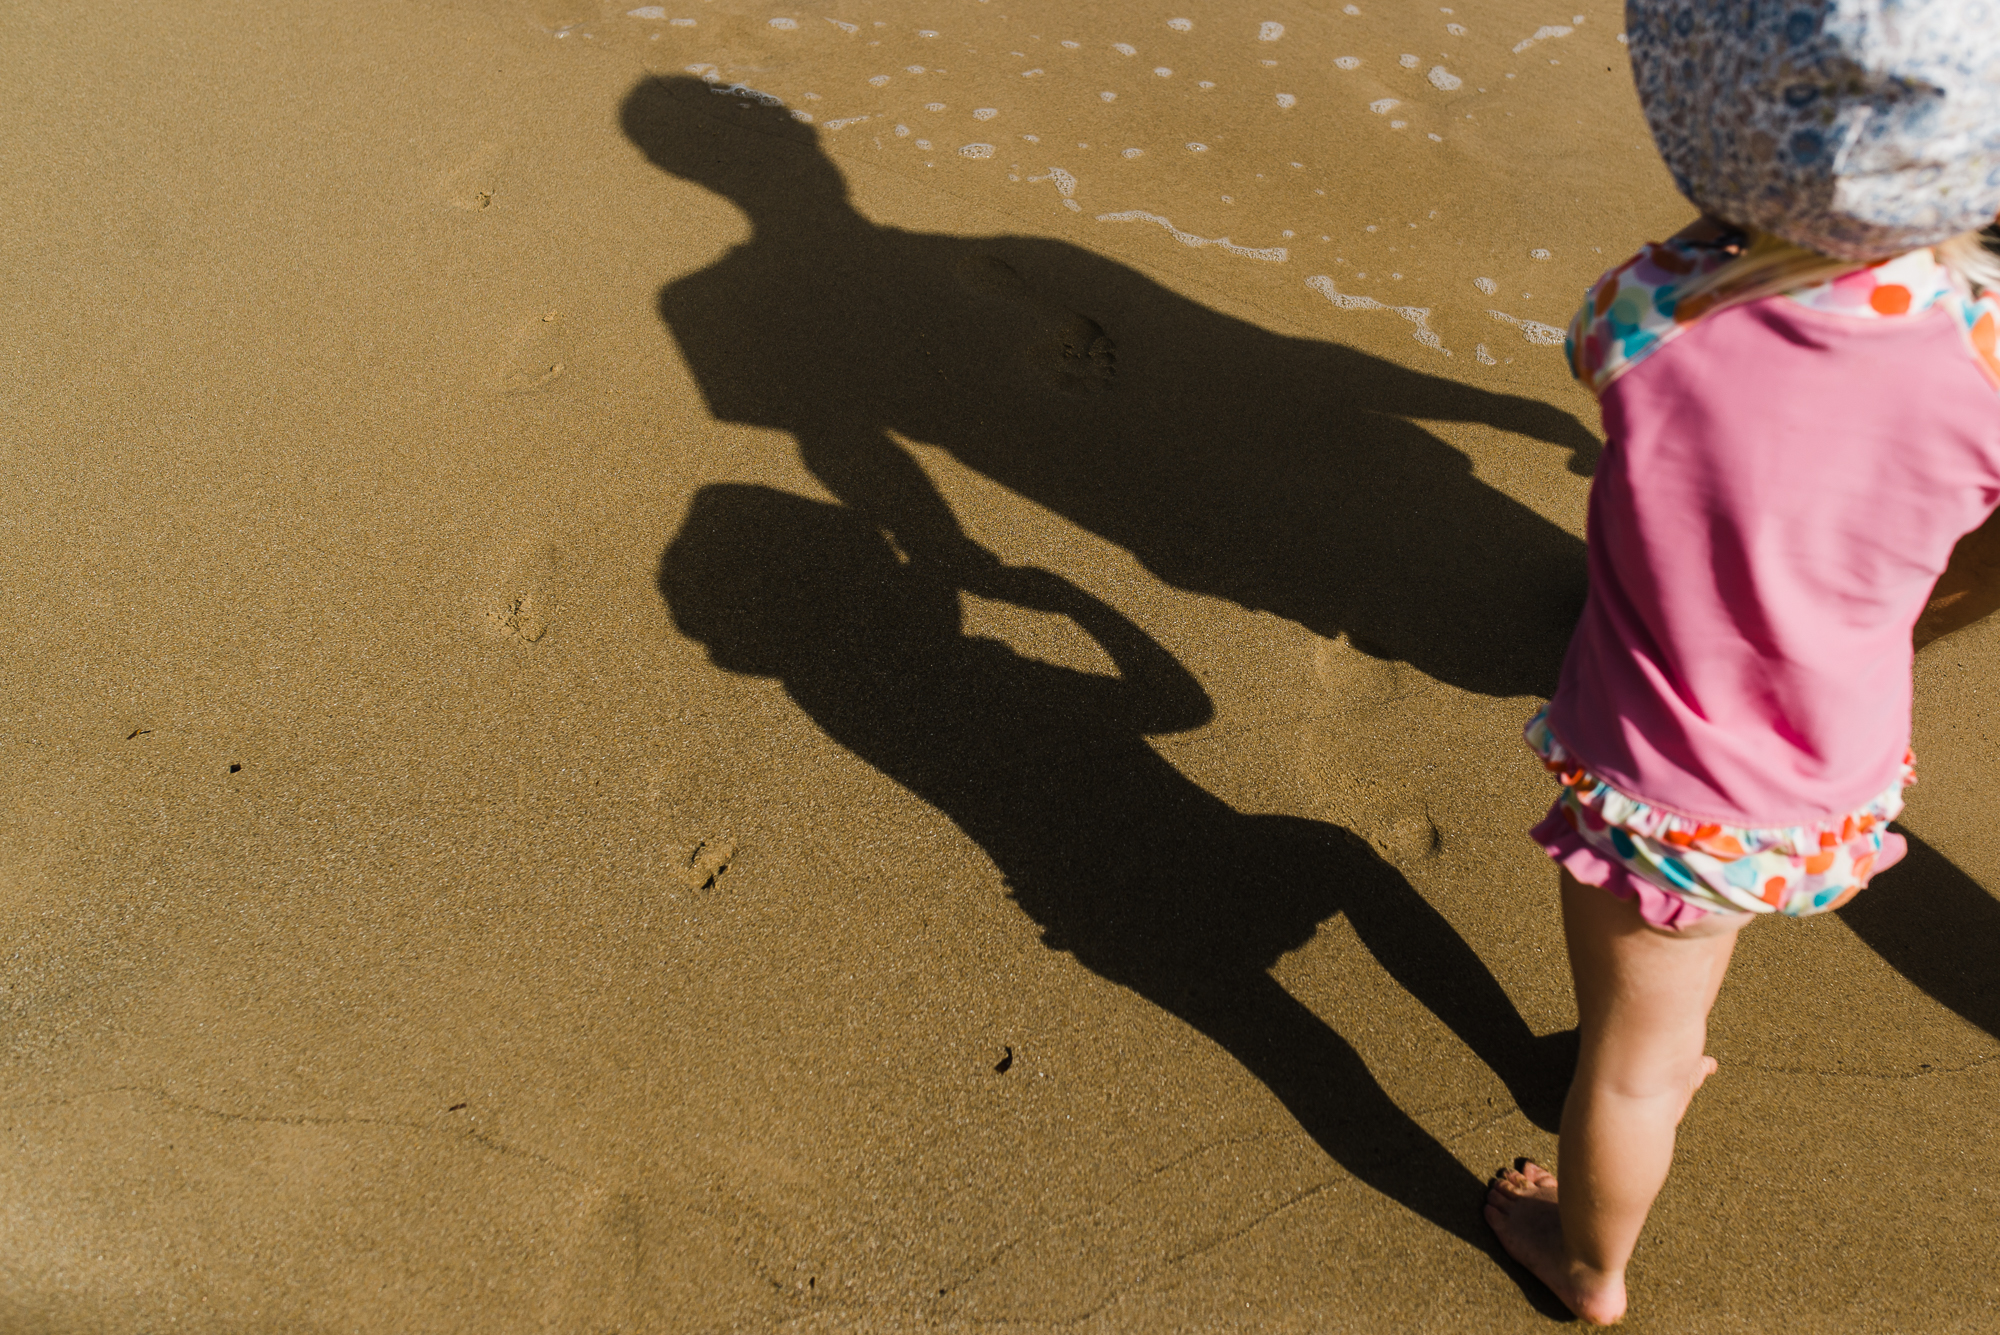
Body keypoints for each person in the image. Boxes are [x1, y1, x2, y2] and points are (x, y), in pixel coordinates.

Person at [1483, 1, 2000, 1323]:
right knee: (1674, 995)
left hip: (1662, 778)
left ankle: (1586, 1265)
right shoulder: (1984, 351)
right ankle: (1658, 1036)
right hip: (1827, 775)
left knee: (1633, 1064)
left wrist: (1723, 235)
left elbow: (1591, 342)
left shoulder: (1659, 308)